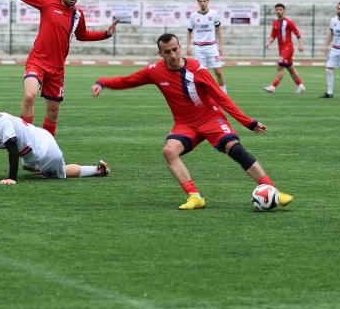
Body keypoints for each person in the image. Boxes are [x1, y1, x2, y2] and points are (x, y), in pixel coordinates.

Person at [91, 34, 294, 211]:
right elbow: (127, 80)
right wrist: (103, 82)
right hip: (185, 124)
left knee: (235, 148)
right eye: (167, 52)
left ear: (180, 47)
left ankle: (272, 190)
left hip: (210, 118)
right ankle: (195, 197)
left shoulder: (197, 69)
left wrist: (248, 122)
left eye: (175, 49)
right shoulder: (154, 71)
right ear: (160, 53)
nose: (172, 55)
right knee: (169, 151)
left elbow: (221, 97)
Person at [14, 0, 120, 137]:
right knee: (29, 96)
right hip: (37, 62)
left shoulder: (78, 14)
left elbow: (82, 35)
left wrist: (106, 34)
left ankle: (46, 148)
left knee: (53, 112)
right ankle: (23, 140)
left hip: (57, 69)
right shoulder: (47, 3)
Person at [0, 110, 109, 184]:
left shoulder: (2, 125)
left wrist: (11, 178)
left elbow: (12, 151)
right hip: (32, 144)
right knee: (29, 167)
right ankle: (40, 169)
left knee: (60, 172)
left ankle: (98, 170)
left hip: (44, 148)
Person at [186, 0, 227, 93]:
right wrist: (188, 47)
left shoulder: (214, 14)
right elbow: (189, 32)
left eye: (204, 1)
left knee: (218, 72)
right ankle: (204, 93)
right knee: (202, 73)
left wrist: (220, 45)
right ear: (198, 3)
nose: (203, 3)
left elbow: (218, 30)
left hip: (212, 47)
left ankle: (224, 93)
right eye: (200, 1)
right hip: (199, 48)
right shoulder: (193, 16)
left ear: (208, 2)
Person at [263, 3, 305, 93]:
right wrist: (268, 43)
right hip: (281, 49)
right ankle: (301, 86)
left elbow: (297, 33)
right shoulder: (275, 23)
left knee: (280, 66)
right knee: (290, 69)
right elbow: (273, 36)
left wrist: (300, 45)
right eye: (277, 10)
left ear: (284, 11)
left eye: (280, 9)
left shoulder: (289, 22)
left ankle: (272, 87)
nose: (278, 11)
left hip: (288, 48)